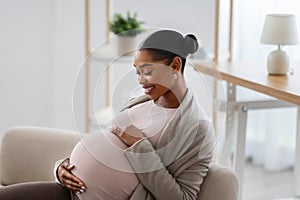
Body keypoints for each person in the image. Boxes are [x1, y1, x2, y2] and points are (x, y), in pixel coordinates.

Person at [0, 29, 215, 200]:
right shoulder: (140, 101)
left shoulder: (197, 128)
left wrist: (139, 146)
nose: (141, 80)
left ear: (175, 65)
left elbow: (182, 197)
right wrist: (62, 169)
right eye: (137, 71)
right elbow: (107, 148)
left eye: (148, 72)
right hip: (71, 193)